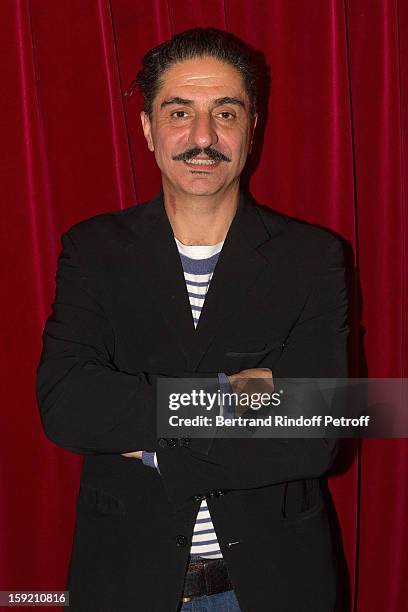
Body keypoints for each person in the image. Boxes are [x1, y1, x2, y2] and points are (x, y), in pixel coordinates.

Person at [36, 27, 349, 612]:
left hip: (276, 584)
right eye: (179, 112)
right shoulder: (93, 250)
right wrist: (246, 399)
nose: (202, 137)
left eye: (224, 112)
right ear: (149, 129)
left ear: (251, 128)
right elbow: (66, 404)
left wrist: (146, 437)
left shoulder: (312, 258)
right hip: (128, 583)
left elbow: (317, 434)